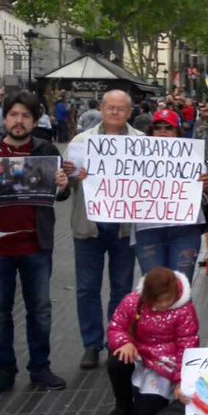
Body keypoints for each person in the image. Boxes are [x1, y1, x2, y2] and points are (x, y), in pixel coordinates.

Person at [0, 91, 72, 397]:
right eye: (14, 115)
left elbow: (59, 195)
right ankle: (4, 369)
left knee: (40, 309)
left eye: (26, 116)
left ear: (34, 121)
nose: (19, 121)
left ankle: (40, 366)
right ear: (5, 117)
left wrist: (63, 186)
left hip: (35, 245)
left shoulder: (46, 150)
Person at [66, 90, 143, 371]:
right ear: (101, 108)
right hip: (88, 225)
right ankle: (91, 344)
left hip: (124, 227)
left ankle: (117, 339)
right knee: (87, 289)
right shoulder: (80, 142)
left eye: (121, 108)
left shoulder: (141, 143)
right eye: (110, 107)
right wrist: (74, 176)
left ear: (129, 112)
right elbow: (65, 183)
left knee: (122, 288)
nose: (114, 113)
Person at [104, 268, 197, 415]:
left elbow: (187, 346)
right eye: (157, 301)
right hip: (138, 352)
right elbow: (116, 326)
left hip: (165, 362)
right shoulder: (133, 301)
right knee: (116, 360)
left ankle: (149, 397)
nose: (163, 305)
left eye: (167, 299)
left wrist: (182, 380)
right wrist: (124, 342)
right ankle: (122, 404)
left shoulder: (185, 310)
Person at [133, 109, 208, 280]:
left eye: (168, 128)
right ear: (151, 132)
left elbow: (203, 190)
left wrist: (205, 186)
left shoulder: (192, 157)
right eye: (157, 127)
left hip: (184, 230)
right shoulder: (134, 158)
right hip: (148, 230)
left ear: (177, 132)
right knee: (154, 287)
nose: (162, 132)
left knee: (182, 286)